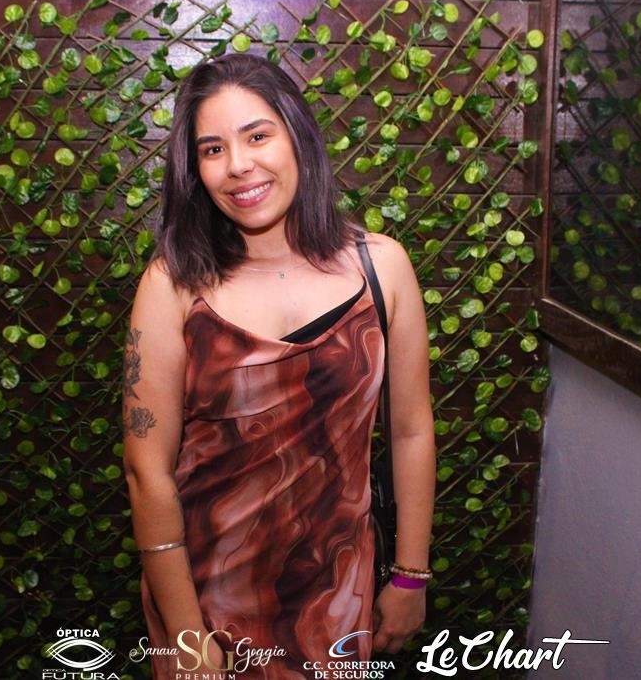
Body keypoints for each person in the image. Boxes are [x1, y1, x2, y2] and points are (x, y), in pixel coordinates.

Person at [122, 53, 435, 678]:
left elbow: (410, 431)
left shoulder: (383, 267)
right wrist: (185, 635)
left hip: (338, 594)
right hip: (204, 597)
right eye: (213, 149)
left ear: (298, 137)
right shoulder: (174, 285)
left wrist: (410, 576)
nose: (238, 165)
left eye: (257, 135)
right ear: (195, 170)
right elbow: (146, 471)